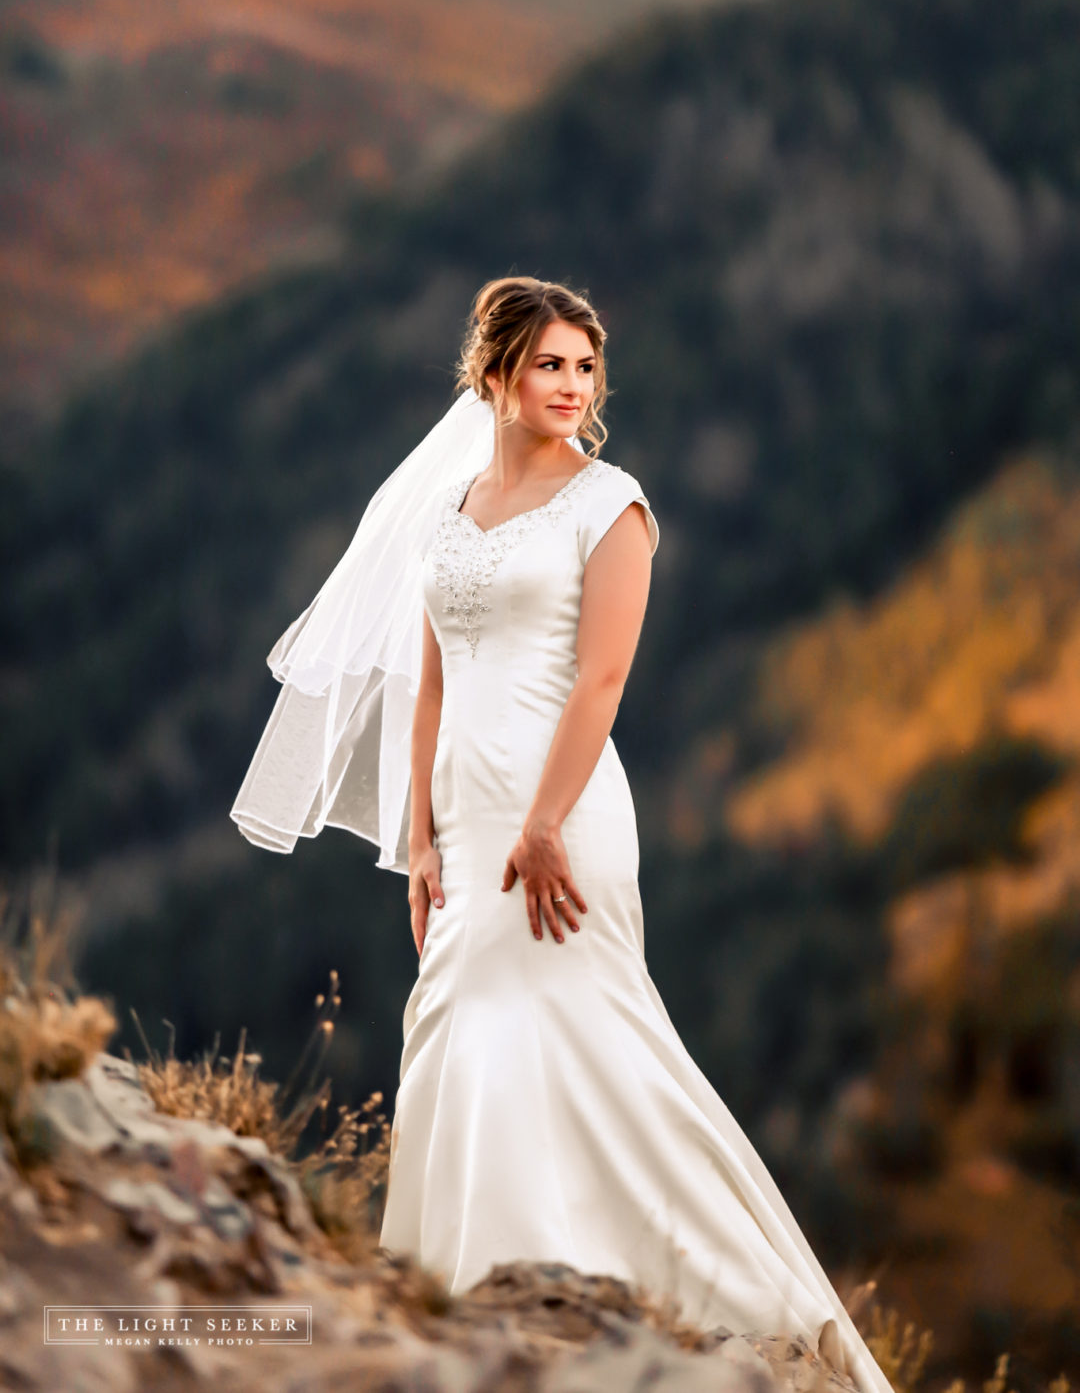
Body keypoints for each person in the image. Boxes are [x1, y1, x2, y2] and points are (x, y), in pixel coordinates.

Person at [232, 277, 894, 1393]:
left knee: (589, 1033)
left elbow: (603, 679)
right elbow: (428, 673)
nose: (571, 387)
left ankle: (723, 1302)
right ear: (493, 374)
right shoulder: (451, 509)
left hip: (566, 810)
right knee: (456, 1023)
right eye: (550, 364)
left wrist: (542, 826)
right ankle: (470, 1296)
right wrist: (420, 833)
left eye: (585, 367)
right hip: (465, 812)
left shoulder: (612, 505)